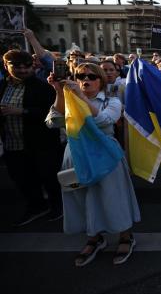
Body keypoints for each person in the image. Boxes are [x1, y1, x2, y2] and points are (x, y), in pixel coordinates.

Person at [46, 63, 140, 266]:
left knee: (114, 196)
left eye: (91, 76)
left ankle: (125, 236)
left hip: (106, 155)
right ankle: (94, 238)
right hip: (77, 155)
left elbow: (105, 120)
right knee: (82, 198)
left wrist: (80, 96)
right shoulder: (68, 99)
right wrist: (59, 92)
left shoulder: (111, 101)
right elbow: (54, 121)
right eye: (81, 76)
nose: (85, 80)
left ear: (101, 80)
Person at [0, 50, 63, 225]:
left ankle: (57, 206)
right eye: (17, 66)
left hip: (40, 143)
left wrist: (22, 111)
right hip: (13, 143)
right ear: (6, 66)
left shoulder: (42, 86)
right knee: (23, 178)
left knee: (48, 177)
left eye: (27, 66)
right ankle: (37, 206)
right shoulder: (3, 86)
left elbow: (53, 113)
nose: (23, 70)